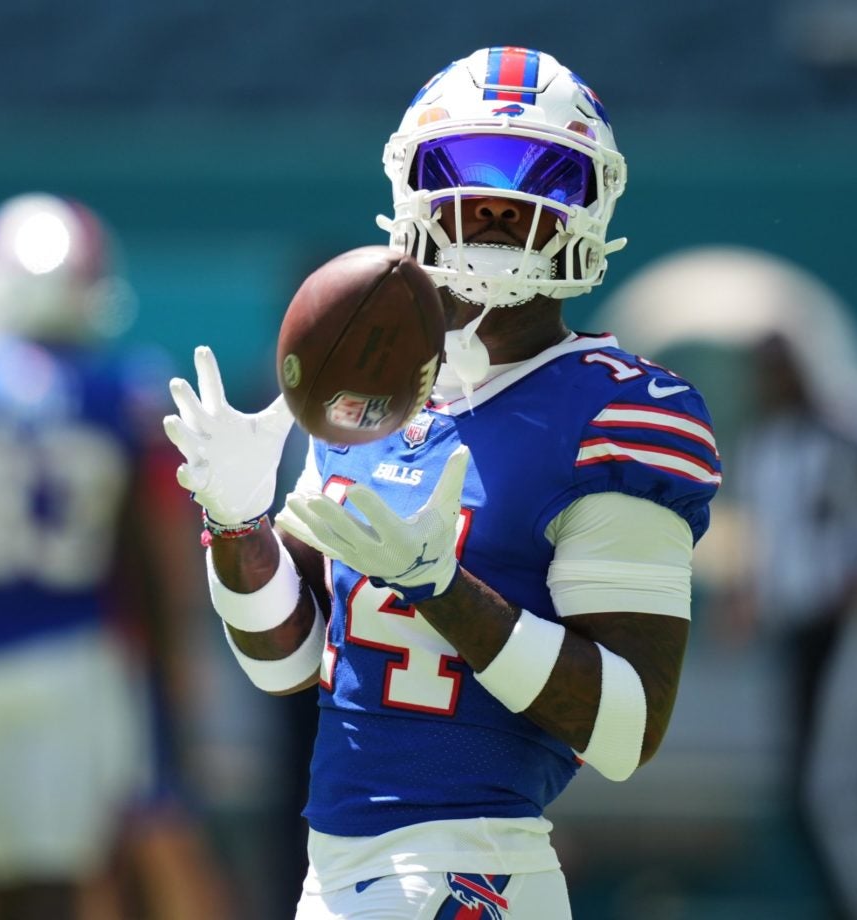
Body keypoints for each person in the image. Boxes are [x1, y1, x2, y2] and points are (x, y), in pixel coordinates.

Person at [163, 47, 721, 918]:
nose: (497, 204)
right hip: (337, 871)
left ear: (591, 202)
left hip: (473, 872)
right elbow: (289, 662)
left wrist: (441, 589)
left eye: (540, 176)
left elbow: (625, 729)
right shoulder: (371, 387)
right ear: (413, 185)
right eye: (466, 169)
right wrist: (237, 526)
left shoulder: (615, 412)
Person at [594, 246, 857, 920]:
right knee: (807, 788)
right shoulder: (765, 444)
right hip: (801, 625)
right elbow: (769, 533)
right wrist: (748, 595)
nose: (772, 377)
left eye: (781, 361)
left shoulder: (853, 418)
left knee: (837, 787)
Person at [0, 192, 233, 920]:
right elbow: (143, 564)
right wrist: (172, 679)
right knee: (69, 876)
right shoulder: (115, 390)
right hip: (77, 658)